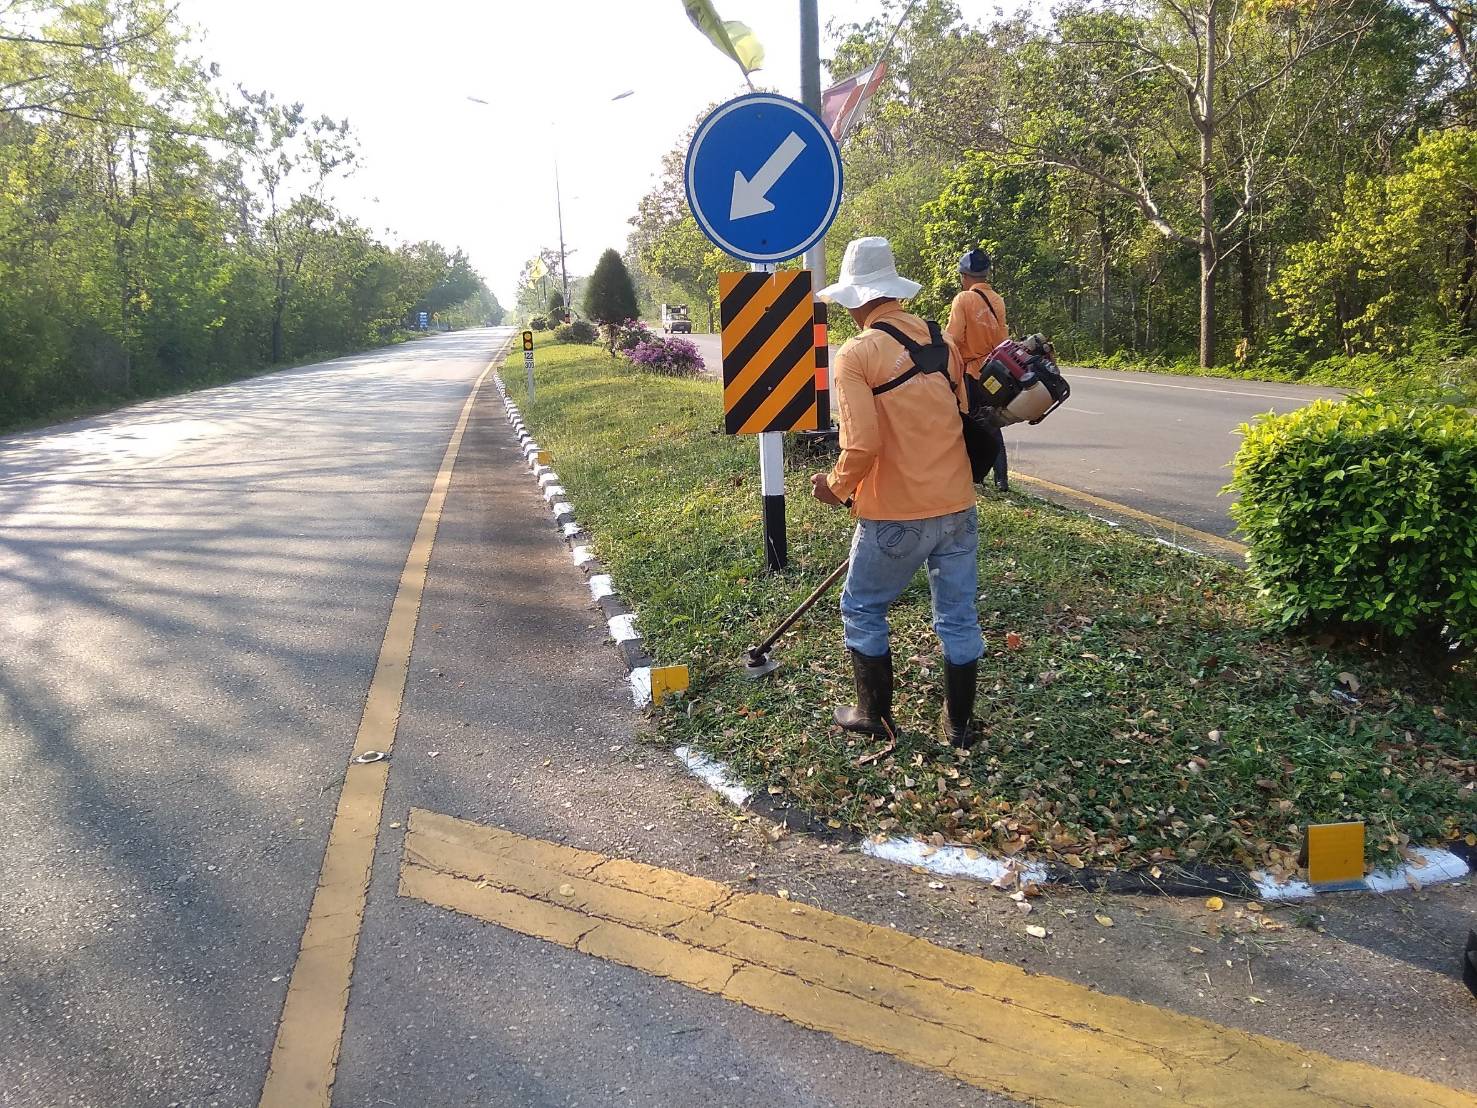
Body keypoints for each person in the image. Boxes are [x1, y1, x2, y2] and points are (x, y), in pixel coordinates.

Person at [809, 237, 983, 748]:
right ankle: (959, 726)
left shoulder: (857, 354)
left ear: (857, 299)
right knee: (958, 616)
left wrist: (835, 487)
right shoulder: (941, 341)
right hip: (958, 506)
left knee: (863, 606)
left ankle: (874, 715)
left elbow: (862, 445)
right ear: (894, 290)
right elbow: (960, 413)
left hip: (895, 513)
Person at [946, 247, 1010, 492]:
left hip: (971, 372)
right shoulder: (997, 300)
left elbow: (953, 337)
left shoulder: (963, 299)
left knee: (972, 423)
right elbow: (1002, 337)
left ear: (964, 276)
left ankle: (975, 477)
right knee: (992, 422)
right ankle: (1001, 479)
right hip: (995, 371)